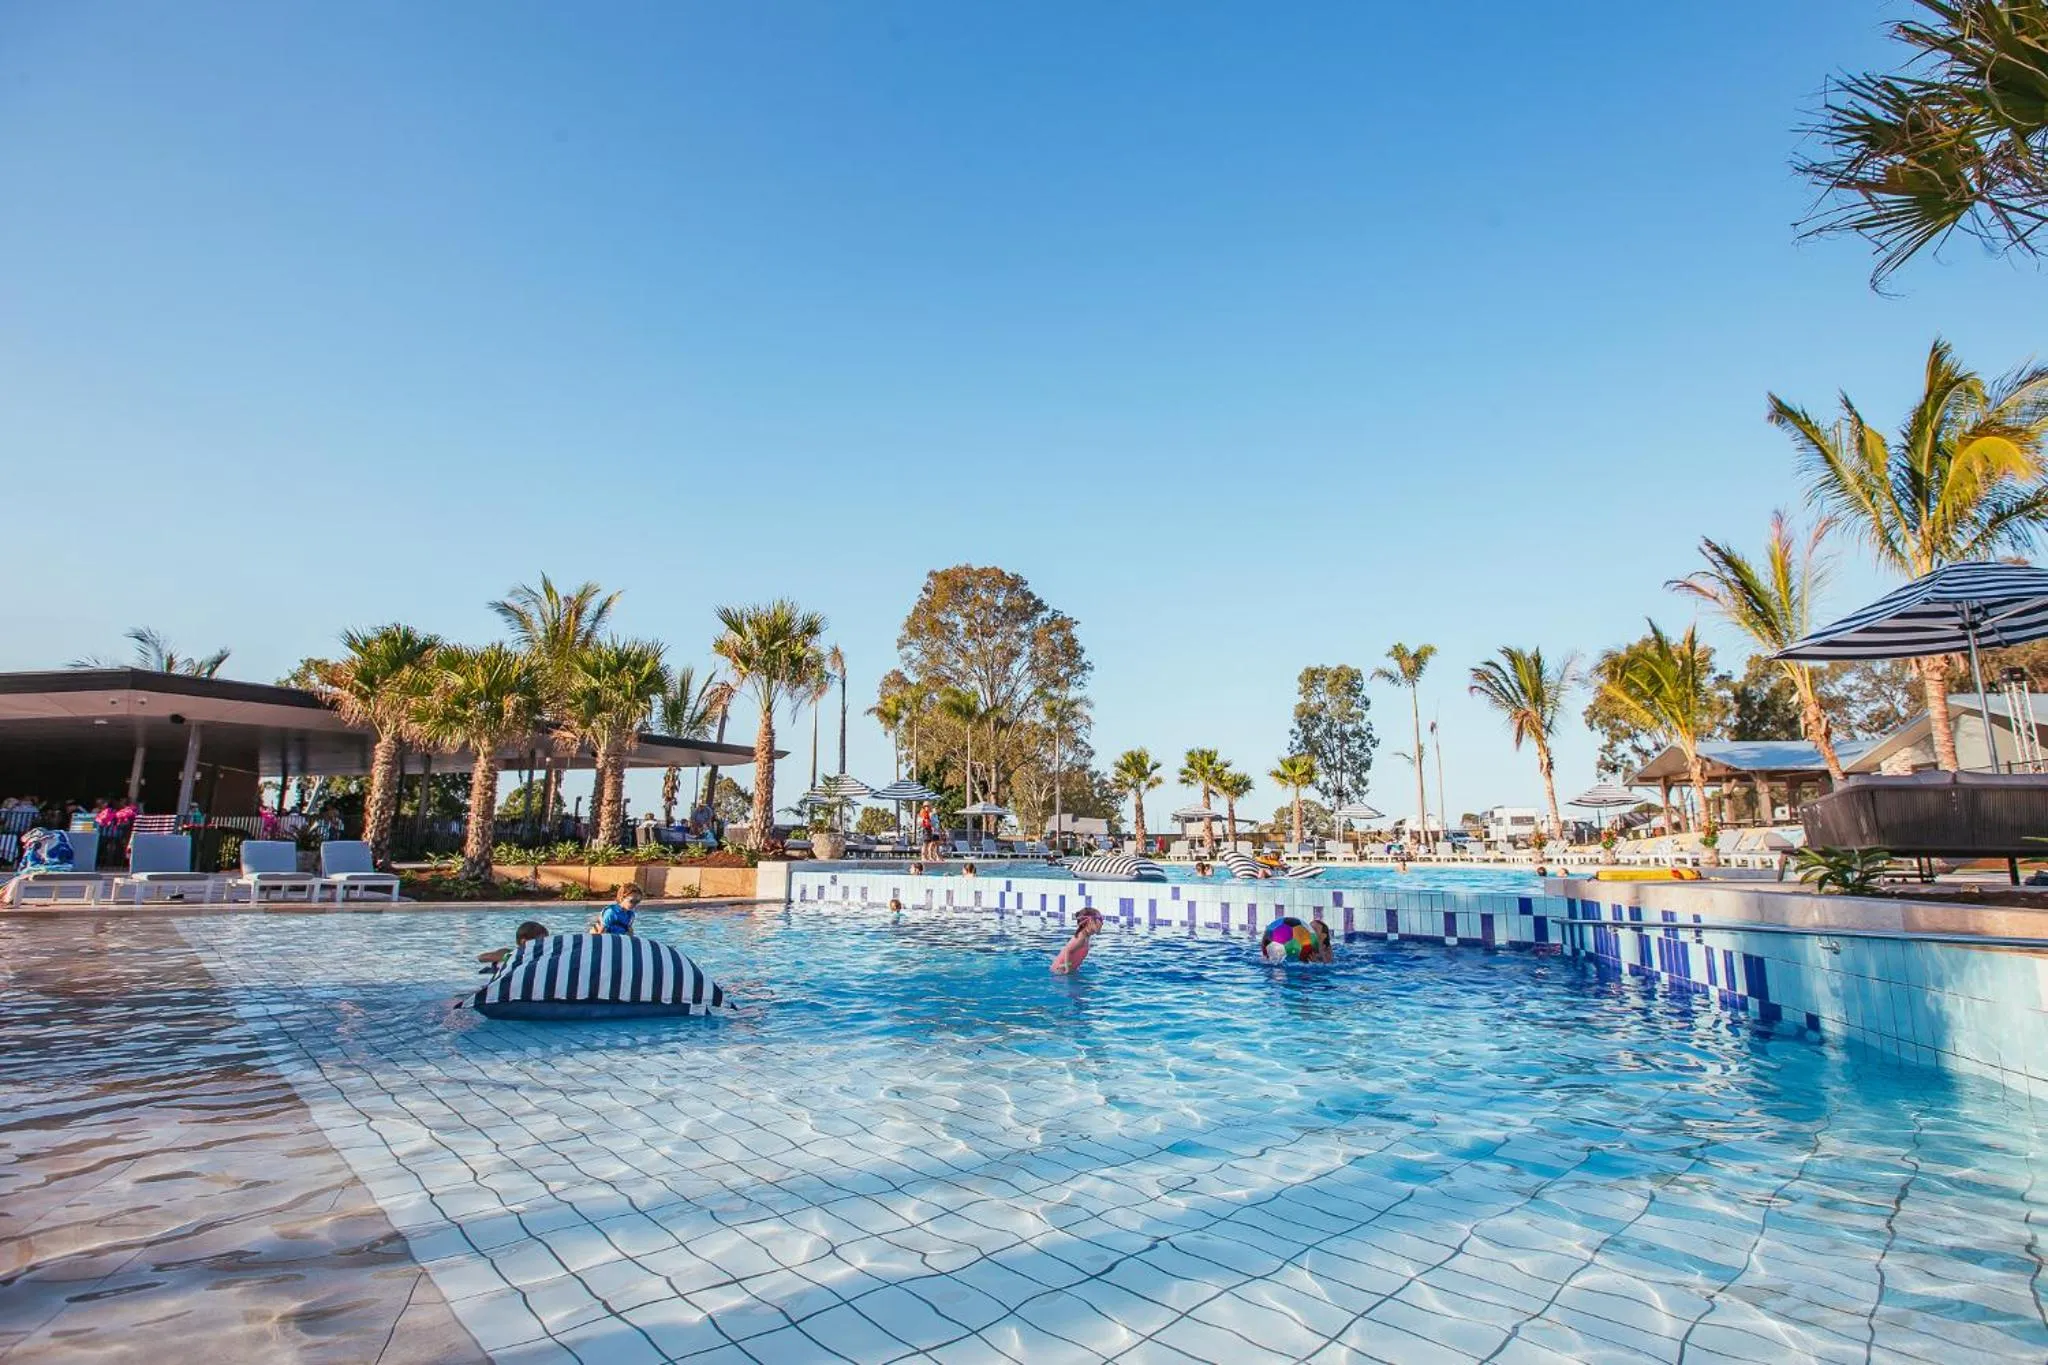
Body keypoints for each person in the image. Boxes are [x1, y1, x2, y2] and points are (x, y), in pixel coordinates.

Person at [479, 920, 549, 969]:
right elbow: (481, 957)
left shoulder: (544, 954)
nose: (545, 944)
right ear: (524, 942)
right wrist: (508, 957)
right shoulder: (510, 953)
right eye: (541, 941)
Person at [1052, 907, 1104, 974]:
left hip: (1068, 968)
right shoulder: (1081, 937)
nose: (1102, 922)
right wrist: (1067, 970)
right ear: (1090, 921)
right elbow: (1068, 950)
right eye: (1100, 919)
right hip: (1060, 969)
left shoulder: (1086, 935)